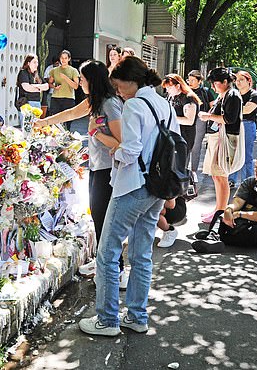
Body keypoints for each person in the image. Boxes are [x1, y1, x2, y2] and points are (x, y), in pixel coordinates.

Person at [79, 56, 179, 337]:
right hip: (156, 188)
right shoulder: (164, 104)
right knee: (141, 254)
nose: (118, 90)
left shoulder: (136, 105)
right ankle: (137, 316)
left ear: (131, 81)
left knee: (107, 253)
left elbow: (130, 149)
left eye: (119, 85)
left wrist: (115, 151)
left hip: (132, 186)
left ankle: (107, 319)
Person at [35, 60, 124, 279]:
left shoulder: (110, 104)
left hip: (109, 170)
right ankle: (104, 262)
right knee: (96, 214)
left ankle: (116, 268)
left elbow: (122, 142)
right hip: (97, 167)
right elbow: (69, 114)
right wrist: (43, 123)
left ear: (92, 81)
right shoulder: (94, 101)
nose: (80, 82)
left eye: (82, 79)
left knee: (104, 219)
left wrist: (95, 133)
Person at [193, 153, 257, 253]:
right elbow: (238, 201)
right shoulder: (250, 182)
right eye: (255, 167)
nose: (256, 171)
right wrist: (230, 209)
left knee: (253, 231)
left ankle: (218, 237)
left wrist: (240, 214)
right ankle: (213, 237)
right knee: (220, 213)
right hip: (254, 220)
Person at [198, 68, 243, 224]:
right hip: (217, 138)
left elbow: (230, 119)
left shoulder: (233, 95)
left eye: (215, 83)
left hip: (224, 139)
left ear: (225, 82)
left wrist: (208, 116)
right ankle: (218, 209)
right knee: (217, 176)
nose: (213, 86)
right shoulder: (224, 95)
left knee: (221, 175)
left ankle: (220, 211)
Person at [228, 71, 257, 187]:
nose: (238, 82)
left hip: (247, 125)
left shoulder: (254, 95)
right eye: (236, 80)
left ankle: (248, 181)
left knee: (246, 155)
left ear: (249, 81)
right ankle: (231, 180)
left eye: (241, 79)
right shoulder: (234, 94)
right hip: (234, 125)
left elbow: (247, 110)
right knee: (233, 154)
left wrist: (232, 110)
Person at [187, 70, 216, 177]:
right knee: (185, 144)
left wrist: (208, 116)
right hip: (186, 120)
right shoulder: (185, 91)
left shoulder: (205, 91)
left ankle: (193, 170)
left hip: (200, 120)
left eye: (193, 80)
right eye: (189, 80)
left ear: (199, 81)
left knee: (196, 145)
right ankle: (184, 169)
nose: (190, 82)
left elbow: (213, 106)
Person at [162, 74, 201, 151]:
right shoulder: (170, 97)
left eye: (169, 87)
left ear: (178, 86)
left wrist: (170, 118)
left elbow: (189, 121)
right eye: (166, 88)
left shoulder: (188, 98)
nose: (167, 90)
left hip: (184, 136)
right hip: (172, 134)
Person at [48, 50, 80, 128]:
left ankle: (66, 137)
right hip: (56, 98)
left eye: (65, 58)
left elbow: (76, 86)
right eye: (62, 58)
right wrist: (54, 87)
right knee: (55, 120)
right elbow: (49, 83)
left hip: (68, 99)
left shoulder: (73, 71)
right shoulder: (54, 70)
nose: (63, 60)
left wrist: (65, 78)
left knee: (67, 122)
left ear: (69, 59)